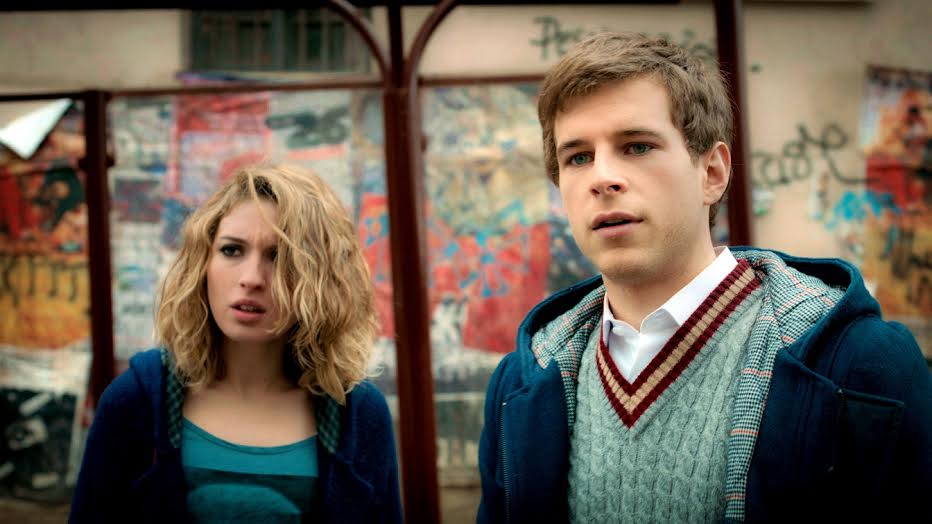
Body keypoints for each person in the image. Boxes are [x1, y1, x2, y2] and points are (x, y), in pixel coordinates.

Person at [477, 32, 932, 523]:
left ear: (712, 173)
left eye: (637, 146)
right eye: (578, 157)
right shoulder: (521, 384)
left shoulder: (859, 363)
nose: (602, 178)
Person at [70, 164, 402, 523]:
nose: (251, 278)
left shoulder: (357, 415)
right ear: (202, 263)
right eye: (232, 250)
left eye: (278, 256)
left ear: (319, 277)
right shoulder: (137, 401)